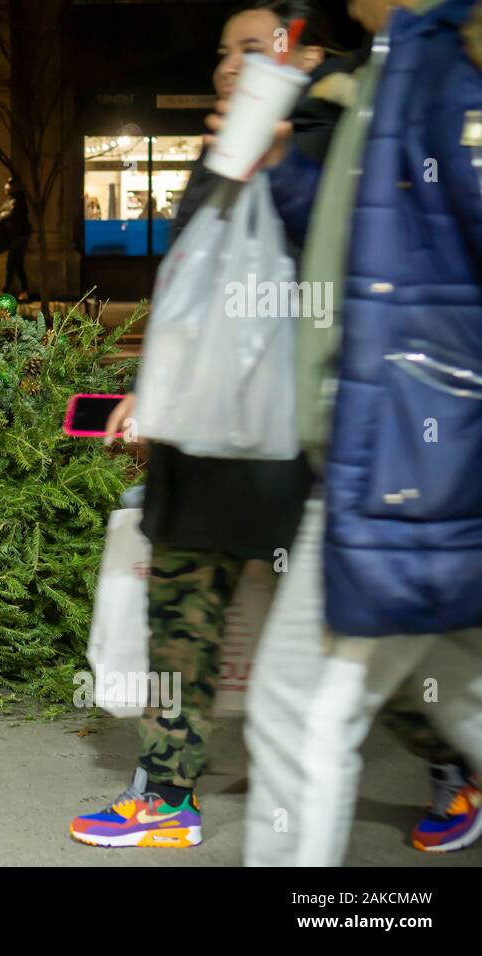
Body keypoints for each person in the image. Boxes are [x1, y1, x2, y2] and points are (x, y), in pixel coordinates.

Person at [68, 0, 334, 850]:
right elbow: (190, 295)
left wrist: (282, 166)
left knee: (347, 639)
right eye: (223, 52)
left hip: (281, 442)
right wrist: (154, 391)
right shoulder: (225, 148)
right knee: (181, 616)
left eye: (251, 50)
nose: (227, 67)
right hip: (208, 435)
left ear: (306, 54)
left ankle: (451, 765)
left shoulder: (331, 141)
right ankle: (167, 790)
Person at [239, 0, 482, 865]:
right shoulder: (396, 63)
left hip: (409, 454)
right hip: (400, 445)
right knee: (459, 683)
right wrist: (282, 171)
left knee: (297, 707)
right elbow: (365, 255)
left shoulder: (446, 61)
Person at [0, 178, 32, 301]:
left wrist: (0, 218)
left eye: (10, 184)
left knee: (12, 263)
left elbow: (10, 213)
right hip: (15, 236)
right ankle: (22, 291)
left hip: (20, 236)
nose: (7, 187)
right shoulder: (11, 200)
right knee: (16, 264)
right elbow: (1, 212)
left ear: (15, 187)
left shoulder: (19, 200)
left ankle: (7, 291)